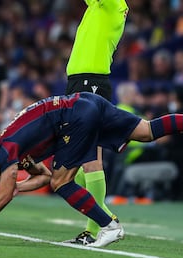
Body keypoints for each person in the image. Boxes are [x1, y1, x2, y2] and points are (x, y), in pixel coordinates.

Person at [0, 92, 183, 247]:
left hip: (74, 118)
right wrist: (16, 187)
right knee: (147, 131)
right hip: (88, 103)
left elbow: (6, 195)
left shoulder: (7, 150)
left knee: (63, 184)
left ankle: (109, 226)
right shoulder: (13, 147)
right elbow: (43, 176)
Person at [63, 0, 130, 244]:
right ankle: (106, 216)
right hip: (80, 82)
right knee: (77, 162)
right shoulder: (98, 6)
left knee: (91, 158)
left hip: (91, 81)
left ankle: (94, 231)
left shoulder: (111, 3)